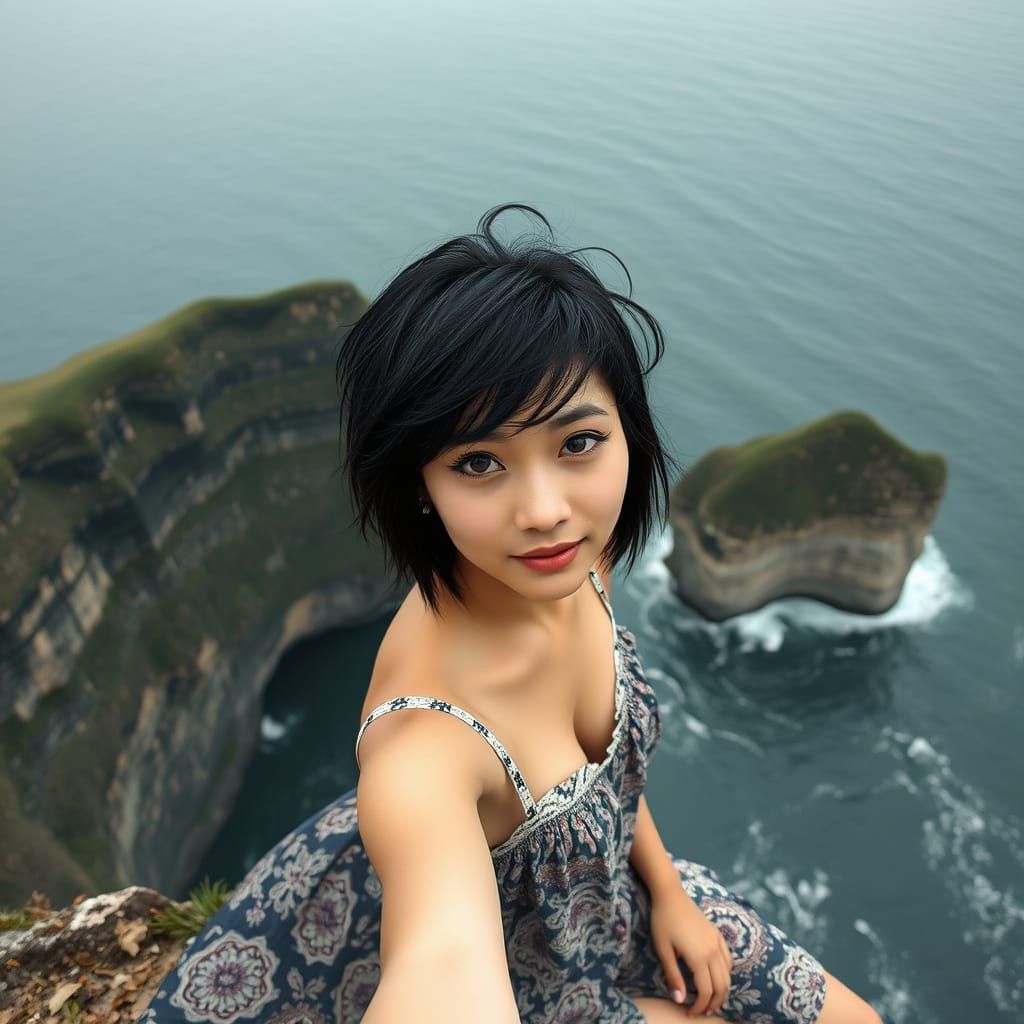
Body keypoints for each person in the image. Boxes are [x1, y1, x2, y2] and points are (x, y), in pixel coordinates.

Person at [138, 204, 885, 1024]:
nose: (543, 509)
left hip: (613, 906)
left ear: (628, 433)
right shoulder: (424, 750)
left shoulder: (574, 566)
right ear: (419, 484)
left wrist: (666, 888)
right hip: (529, 986)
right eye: (479, 462)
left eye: (577, 443)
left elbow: (608, 784)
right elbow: (442, 963)